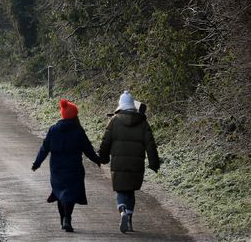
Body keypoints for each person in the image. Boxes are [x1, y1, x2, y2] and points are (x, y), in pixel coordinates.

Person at [32, 98, 102, 232]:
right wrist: (97, 160)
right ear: (74, 116)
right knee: (70, 193)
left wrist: (37, 163)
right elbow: (88, 149)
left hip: (57, 168)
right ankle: (67, 218)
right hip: (74, 167)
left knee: (60, 193)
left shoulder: (53, 129)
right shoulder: (78, 131)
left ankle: (63, 218)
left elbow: (44, 148)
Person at [98, 90, 161, 233]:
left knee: (120, 190)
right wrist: (154, 163)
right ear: (133, 105)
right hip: (136, 165)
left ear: (120, 104)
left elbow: (106, 141)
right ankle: (130, 220)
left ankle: (122, 211)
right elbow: (150, 145)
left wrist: (103, 157)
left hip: (118, 164)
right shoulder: (143, 122)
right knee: (130, 191)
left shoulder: (114, 120)